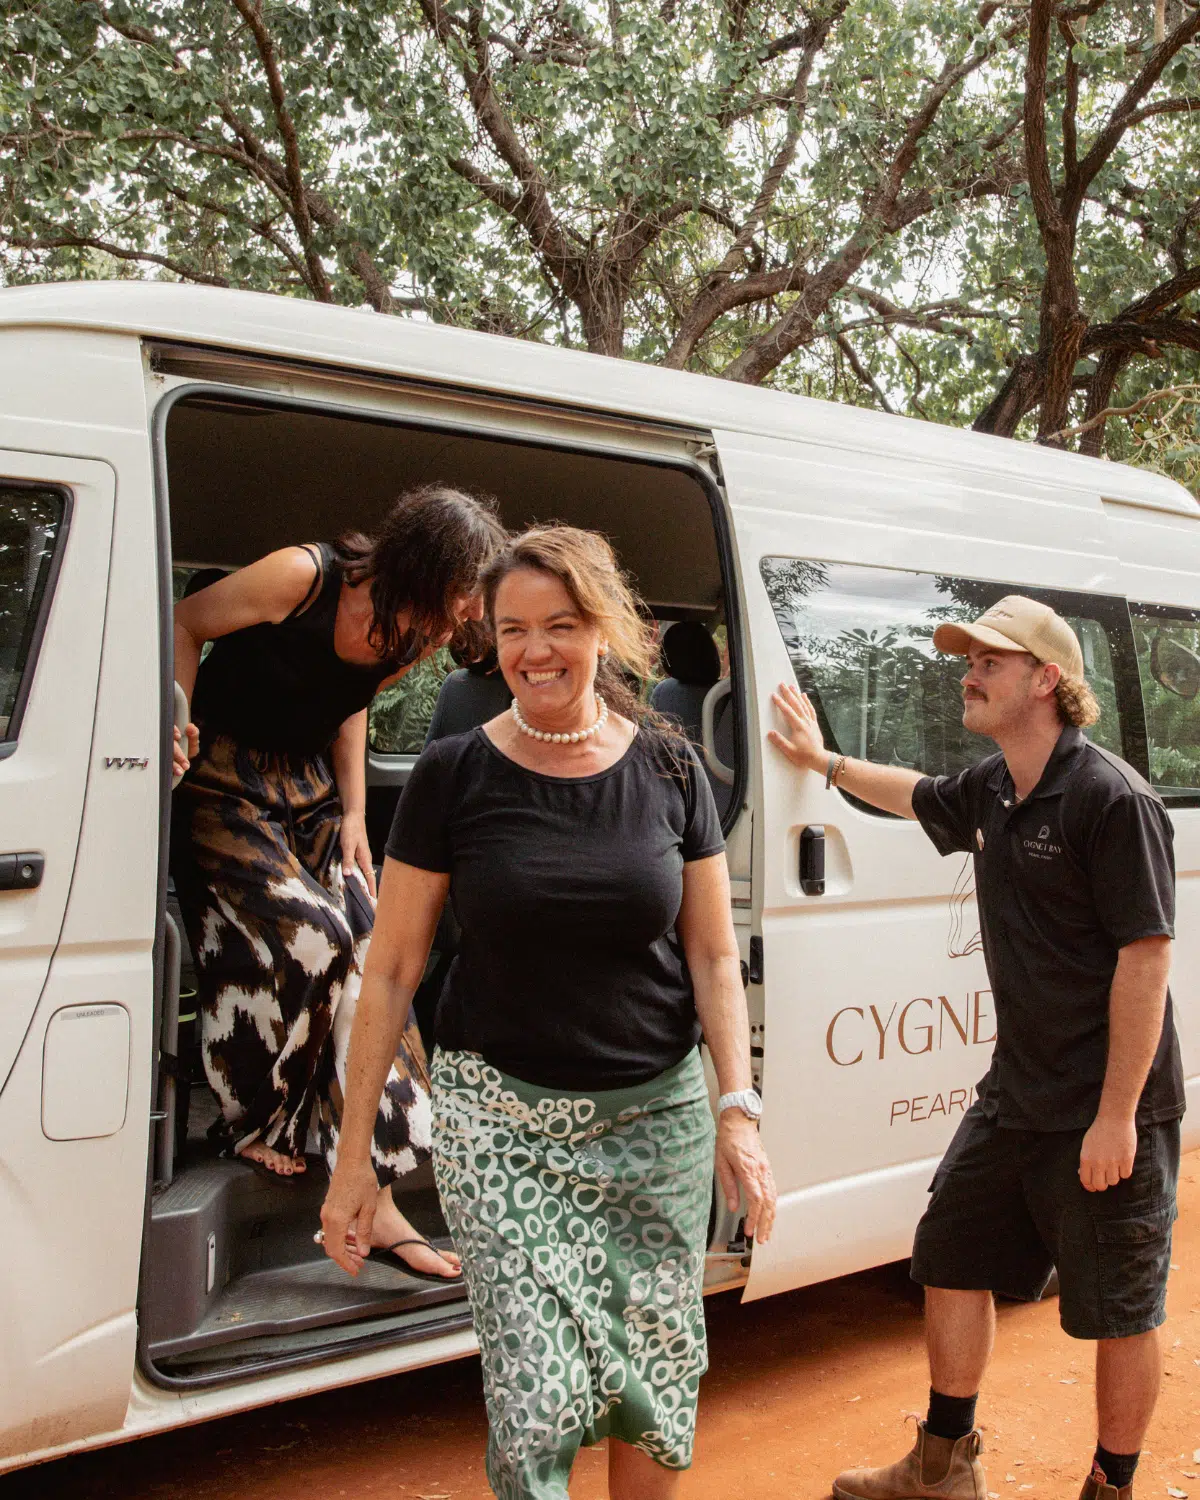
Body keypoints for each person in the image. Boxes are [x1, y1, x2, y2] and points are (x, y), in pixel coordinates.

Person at [320, 525, 777, 1500]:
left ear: (602, 628)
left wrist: (738, 1110)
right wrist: (356, 1160)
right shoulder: (453, 773)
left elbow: (710, 955)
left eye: (560, 624)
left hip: (657, 1128)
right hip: (503, 1128)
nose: (535, 651)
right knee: (538, 1396)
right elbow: (390, 970)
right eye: (512, 629)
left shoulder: (671, 767)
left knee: (655, 1385)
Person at [769, 595, 1182, 1500]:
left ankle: (1111, 1487)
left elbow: (1146, 959)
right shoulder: (996, 785)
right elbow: (914, 792)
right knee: (950, 1253)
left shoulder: (1111, 799)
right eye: (969, 660)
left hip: (1106, 1102)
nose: (968, 674)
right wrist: (821, 760)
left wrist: (1116, 1116)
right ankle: (943, 1466)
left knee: (1119, 1308)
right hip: (1017, 1091)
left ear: (1045, 679)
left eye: (989, 661)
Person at [171, 483, 506, 1283]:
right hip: (221, 779)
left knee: (376, 947)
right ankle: (257, 1119)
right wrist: (171, 720)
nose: (471, 611)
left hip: (309, 789)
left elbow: (348, 704)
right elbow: (185, 622)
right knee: (315, 937)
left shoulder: (414, 632)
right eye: (466, 590)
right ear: (428, 566)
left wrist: (355, 814)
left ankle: (378, 1190)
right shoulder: (304, 576)